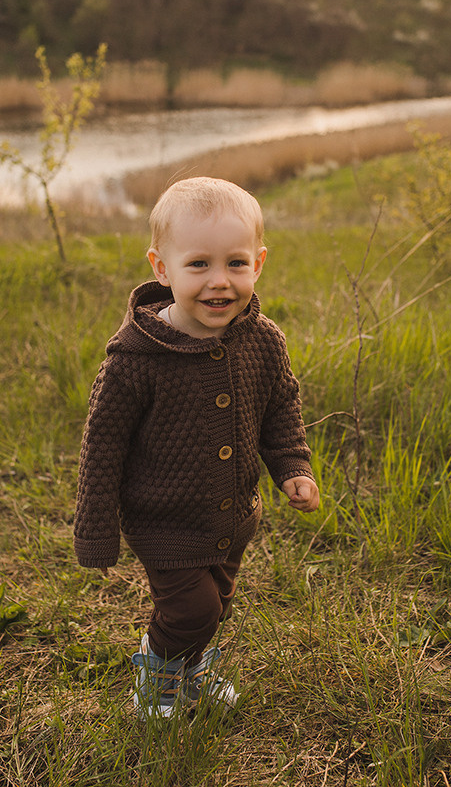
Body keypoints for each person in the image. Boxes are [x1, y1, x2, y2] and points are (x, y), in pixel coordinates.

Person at [73, 176, 320, 720]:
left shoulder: (262, 339)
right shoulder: (136, 359)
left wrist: (292, 466)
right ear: (162, 268)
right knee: (190, 609)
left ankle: (191, 671)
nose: (219, 282)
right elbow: (102, 447)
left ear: (258, 262)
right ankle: (156, 680)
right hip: (163, 518)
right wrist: (96, 528)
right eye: (198, 265)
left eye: (235, 264)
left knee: (215, 606)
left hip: (232, 515)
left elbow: (280, 409)